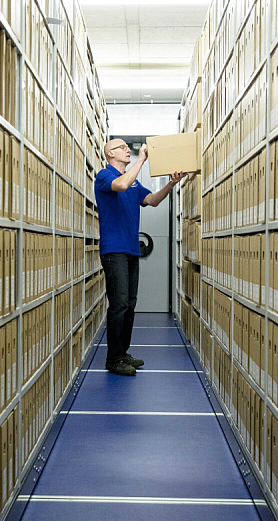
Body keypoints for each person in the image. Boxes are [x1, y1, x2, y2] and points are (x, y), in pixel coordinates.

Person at [95, 138, 187, 376]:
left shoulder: (134, 183)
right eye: (122, 147)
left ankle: (123, 352)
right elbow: (122, 185)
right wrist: (142, 159)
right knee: (119, 304)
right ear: (110, 154)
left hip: (131, 250)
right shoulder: (104, 176)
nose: (128, 149)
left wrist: (171, 185)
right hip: (113, 250)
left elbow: (152, 200)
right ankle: (113, 359)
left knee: (130, 304)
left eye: (128, 147)